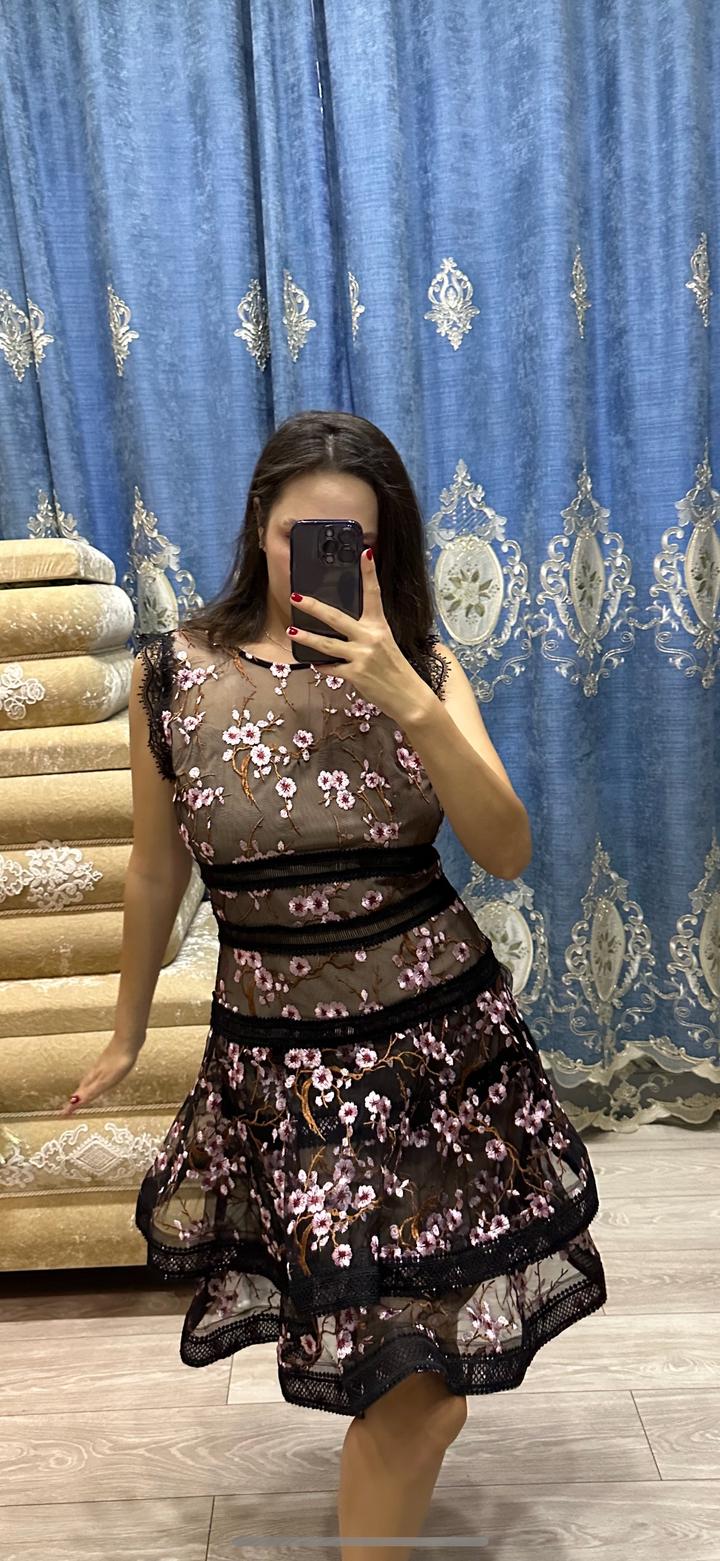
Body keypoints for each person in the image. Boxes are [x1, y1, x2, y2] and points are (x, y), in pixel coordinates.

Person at [61, 410, 607, 1561]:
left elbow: (505, 846)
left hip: (435, 1054)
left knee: (419, 1390)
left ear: (381, 547)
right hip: (287, 1076)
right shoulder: (173, 676)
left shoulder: (426, 668)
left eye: (350, 542)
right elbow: (157, 870)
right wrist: (124, 1028)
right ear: (258, 526)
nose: (319, 559)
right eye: (298, 534)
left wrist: (410, 694)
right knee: (411, 1388)